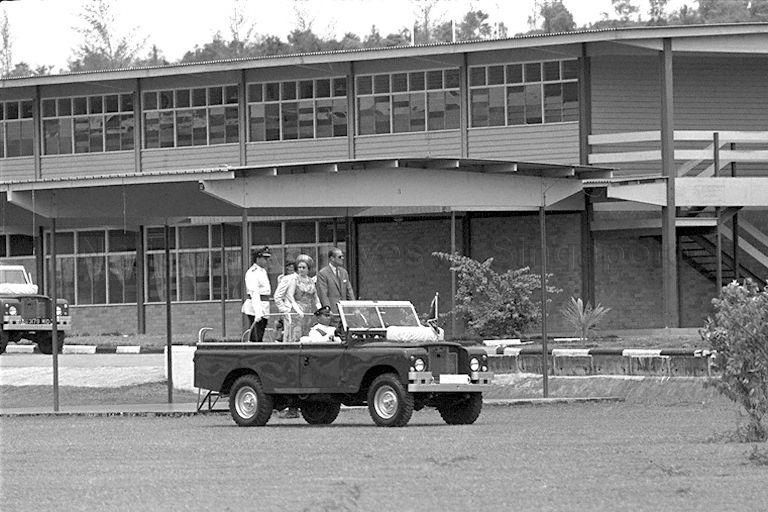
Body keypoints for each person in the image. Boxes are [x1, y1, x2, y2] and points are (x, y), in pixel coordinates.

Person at [283, 254, 320, 343]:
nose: (301, 269)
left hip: (309, 310)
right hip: (297, 310)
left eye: (303, 267)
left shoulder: (311, 281)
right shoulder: (295, 280)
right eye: (299, 267)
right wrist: (296, 308)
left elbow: (315, 296)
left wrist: (319, 307)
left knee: (307, 334)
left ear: (308, 269)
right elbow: (289, 295)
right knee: (296, 334)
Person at [241, 247, 271, 342]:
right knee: (256, 335)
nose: (267, 261)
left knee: (260, 333)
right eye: (264, 258)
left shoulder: (262, 271)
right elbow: (254, 293)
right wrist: (258, 312)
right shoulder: (252, 273)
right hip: (255, 307)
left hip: (264, 305)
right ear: (258, 259)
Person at [316, 248, 355, 321]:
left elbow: (349, 291)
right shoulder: (323, 273)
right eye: (340, 257)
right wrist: (328, 309)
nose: (342, 258)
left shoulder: (344, 272)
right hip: (332, 312)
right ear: (332, 258)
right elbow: (323, 294)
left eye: (342, 256)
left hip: (344, 312)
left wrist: (354, 307)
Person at [272, 261, 296, 342]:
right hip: (287, 306)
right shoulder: (283, 278)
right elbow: (278, 296)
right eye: (288, 268)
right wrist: (284, 309)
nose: (290, 269)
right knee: (284, 327)